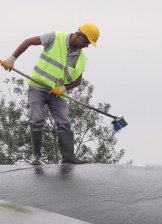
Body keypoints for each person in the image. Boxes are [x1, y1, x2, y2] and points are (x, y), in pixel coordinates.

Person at [1, 24, 100, 165]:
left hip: (57, 94)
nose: (87, 46)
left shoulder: (81, 57)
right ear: (80, 35)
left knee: (65, 122)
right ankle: (37, 157)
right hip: (38, 88)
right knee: (36, 119)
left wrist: (63, 88)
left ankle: (68, 157)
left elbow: (78, 82)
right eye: (87, 42)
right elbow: (28, 42)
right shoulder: (55, 37)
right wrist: (11, 59)